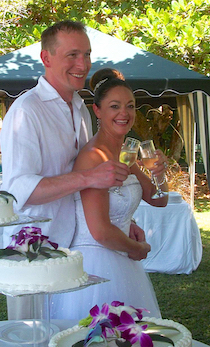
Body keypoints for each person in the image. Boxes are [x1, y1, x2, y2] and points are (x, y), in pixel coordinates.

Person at [0, 21, 146, 319]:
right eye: (72, 55)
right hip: (34, 250)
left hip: (73, 249)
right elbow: (18, 190)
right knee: (32, 346)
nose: (83, 64)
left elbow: (83, 181)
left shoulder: (79, 106)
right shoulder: (27, 111)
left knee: (68, 341)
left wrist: (117, 220)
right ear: (46, 58)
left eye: (87, 54)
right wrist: (89, 178)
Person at [51, 69, 168, 320]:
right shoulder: (93, 156)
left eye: (130, 106)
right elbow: (100, 230)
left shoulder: (127, 154)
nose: (124, 113)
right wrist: (136, 249)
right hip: (97, 261)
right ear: (97, 111)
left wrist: (159, 173)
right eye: (114, 106)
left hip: (123, 258)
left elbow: (159, 200)